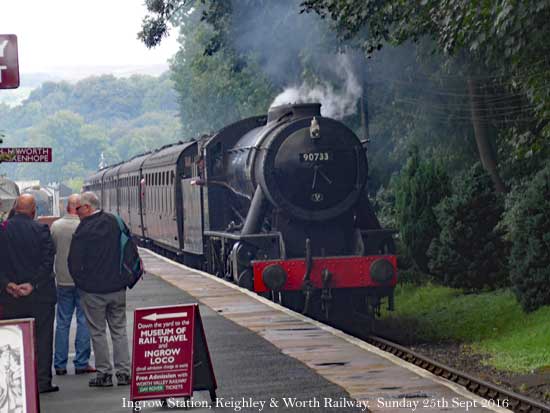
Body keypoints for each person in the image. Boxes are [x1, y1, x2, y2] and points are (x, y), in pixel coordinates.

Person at [68, 191, 131, 387]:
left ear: (88, 207)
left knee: (98, 332)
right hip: (117, 287)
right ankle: (124, 373)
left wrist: (82, 284)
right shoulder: (115, 221)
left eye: (78, 208)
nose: (76, 212)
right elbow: (129, 248)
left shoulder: (83, 230)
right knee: (119, 330)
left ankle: (104, 374)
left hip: (93, 291)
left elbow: (73, 262)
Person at [0, 194, 58, 393]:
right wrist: (32, 284)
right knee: (42, 338)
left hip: (9, 297)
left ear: (15, 208)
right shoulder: (41, 230)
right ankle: (42, 381)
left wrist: (8, 284)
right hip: (40, 296)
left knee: (12, 339)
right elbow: (47, 262)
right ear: (34, 212)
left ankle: (14, 383)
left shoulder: (2, 231)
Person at [50, 194, 96, 376]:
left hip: (62, 280)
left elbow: (51, 250)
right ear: (80, 208)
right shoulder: (86, 226)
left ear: (66, 207)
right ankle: (81, 362)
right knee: (84, 320)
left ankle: (60, 364)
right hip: (84, 281)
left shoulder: (56, 226)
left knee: (62, 322)